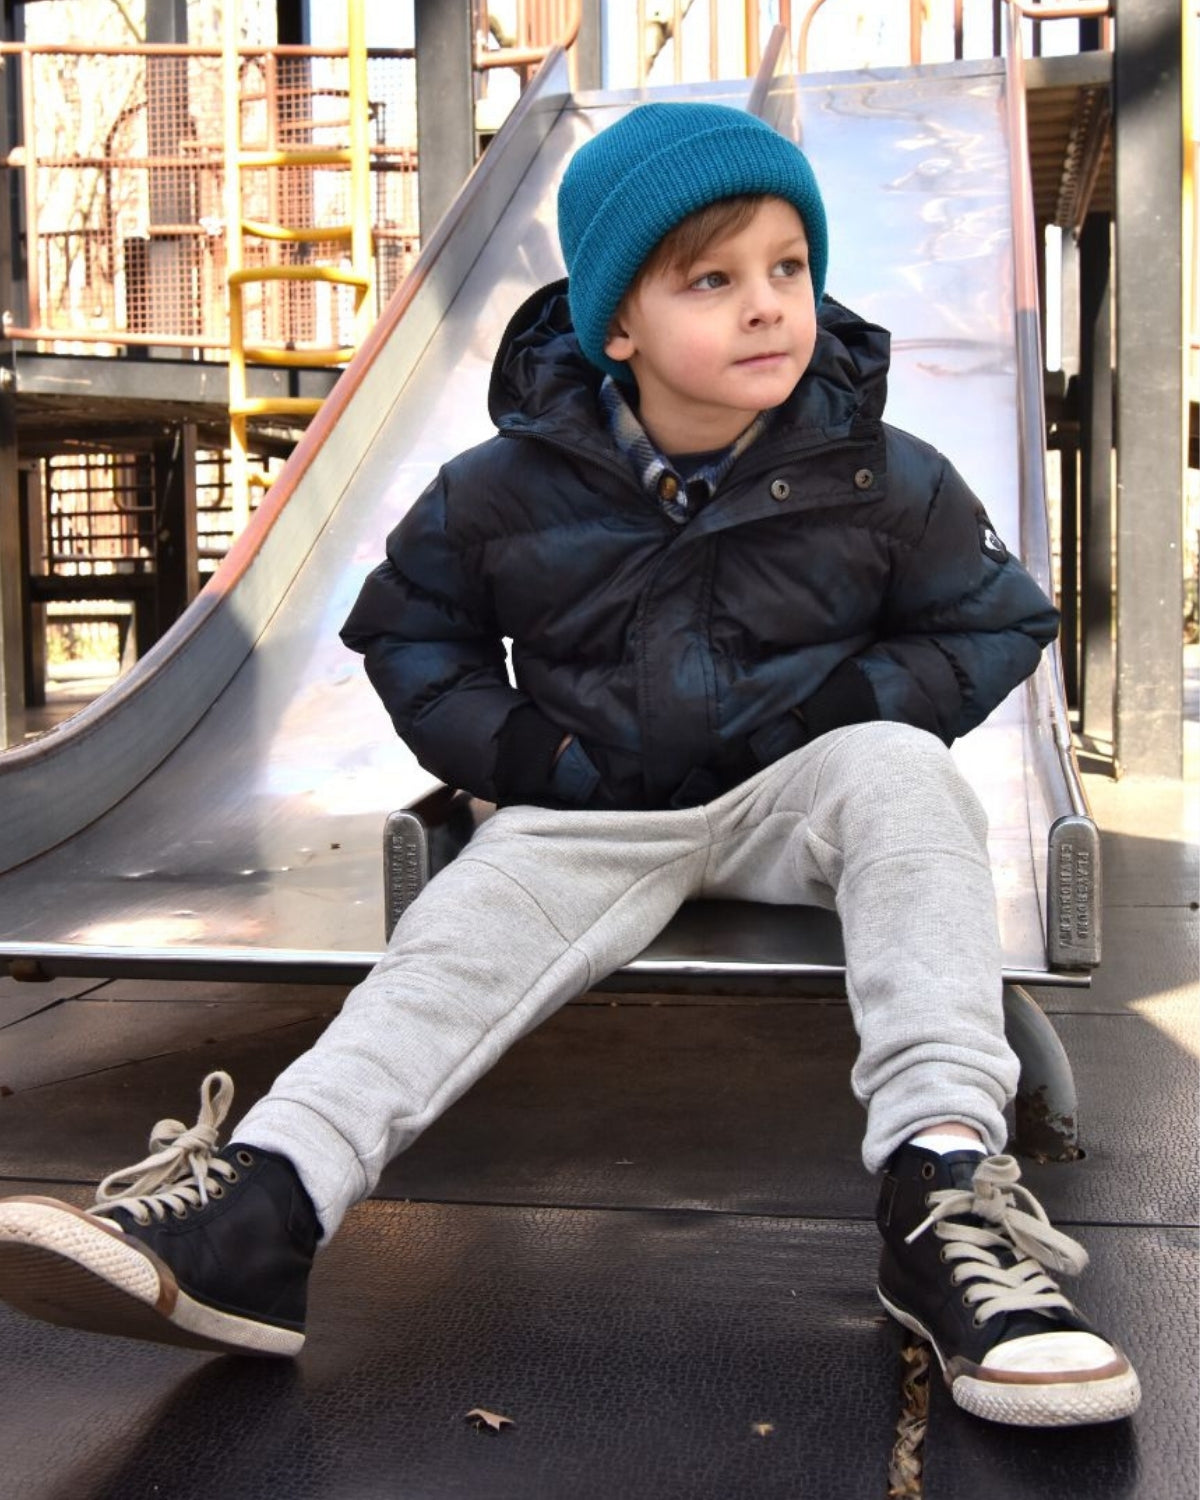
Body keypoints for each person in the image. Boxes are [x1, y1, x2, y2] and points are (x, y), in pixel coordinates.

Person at [0, 103, 1139, 1428]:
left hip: (797, 793)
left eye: (788, 268)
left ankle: (945, 1196)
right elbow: (412, 631)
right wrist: (533, 754)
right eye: (711, 280)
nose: (768, 306)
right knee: (451, 941)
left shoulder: (882, 477)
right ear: (617, 328)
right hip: (596, 809)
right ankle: (264, 1207)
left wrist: (839, 705)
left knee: (903, 777)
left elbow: (991, 618)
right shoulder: (506, 487)